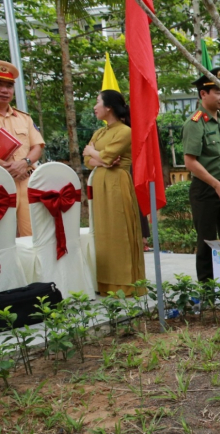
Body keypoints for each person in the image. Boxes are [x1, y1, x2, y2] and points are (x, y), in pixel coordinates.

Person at [82, 90, 146, 296]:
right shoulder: (100, 132)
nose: (95, 106)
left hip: (117, 185)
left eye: (97, 101)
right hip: (99, 186)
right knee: (102, 233)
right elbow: (87, 161)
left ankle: (126, 284)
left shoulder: (125, 131)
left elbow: (104, 157)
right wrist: (100, 158)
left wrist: (95, 153)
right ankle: (105, 283)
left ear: (109, 107)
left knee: (120, 232)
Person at [182, 67, 220, 282]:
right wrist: (217, 185)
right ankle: (207, 289)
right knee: (206, 241)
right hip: (207, 190)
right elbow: (190, 162)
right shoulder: (195, 123)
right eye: (217, 92)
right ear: (203, 94)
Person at [0, 61, 44, 237]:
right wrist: (6, 168)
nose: (5, 90)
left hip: (26, 182)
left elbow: (37, 146)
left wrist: (24, 163)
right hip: (1, 183)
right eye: (0, 85)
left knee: (29, 234)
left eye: (9, 86)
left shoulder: (24, 118)